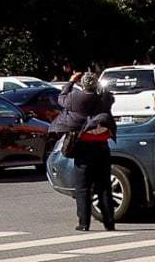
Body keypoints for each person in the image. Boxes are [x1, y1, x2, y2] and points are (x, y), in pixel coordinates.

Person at [52, 70, 117, 231]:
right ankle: (109, 223)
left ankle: (84, 223)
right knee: (104, 187)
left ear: (82, 84)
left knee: (83, 188)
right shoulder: (104, 99)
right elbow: (109, 97)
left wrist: (71, 81)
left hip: (83, 148)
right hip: (102, 148)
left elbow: (61, 99)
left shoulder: (75, 98)